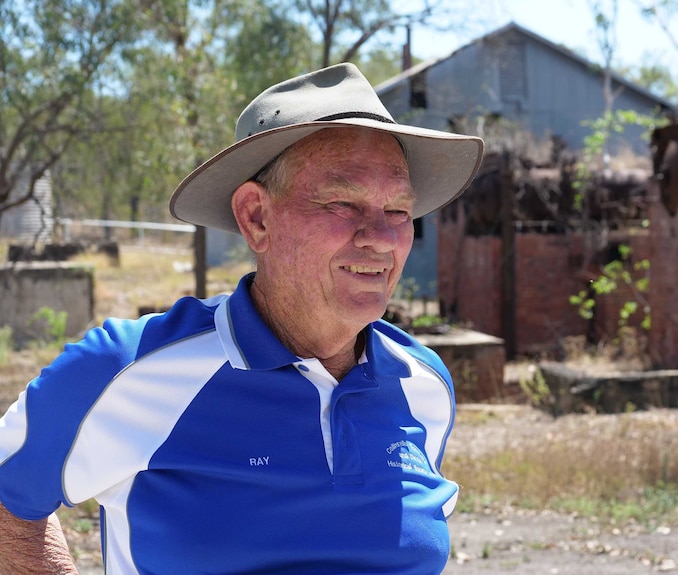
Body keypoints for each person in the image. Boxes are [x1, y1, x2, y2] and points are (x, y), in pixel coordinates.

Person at [0, 63, 483, 574]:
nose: (382, 239)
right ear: (256, 217)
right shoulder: (129, 368)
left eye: (399, 212)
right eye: (343, 203)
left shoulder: (423, 384)